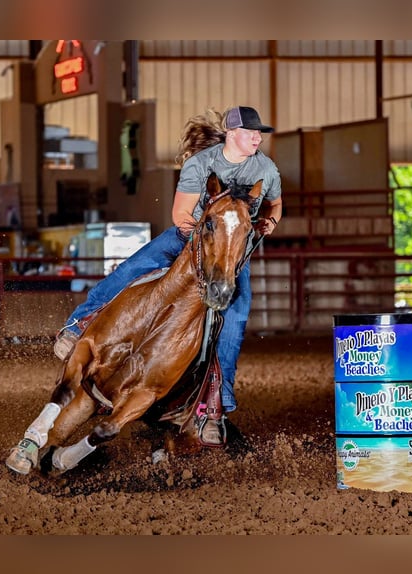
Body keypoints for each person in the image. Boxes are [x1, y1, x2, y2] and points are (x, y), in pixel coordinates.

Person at [53, 105, 282, 436]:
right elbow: (181, 215)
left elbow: (274, 201)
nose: (257, 138)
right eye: (252, 133)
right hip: (190, 239)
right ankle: (78, 325)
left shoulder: (265, 169)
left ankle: (216, 401)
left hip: (229, 250)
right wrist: (203, 242)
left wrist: (269, 220)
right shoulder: (198, 167)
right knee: (134, 268)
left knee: (237, 310)